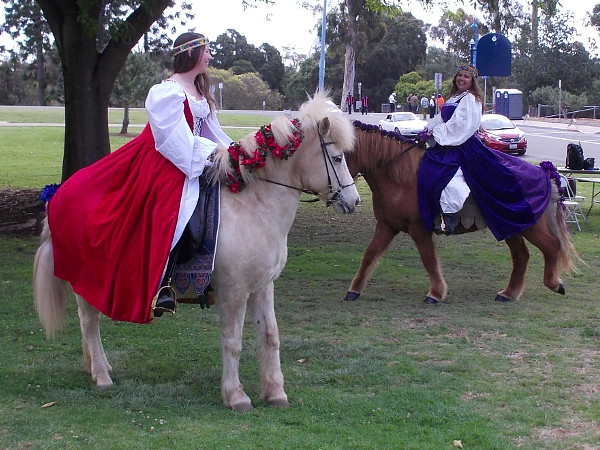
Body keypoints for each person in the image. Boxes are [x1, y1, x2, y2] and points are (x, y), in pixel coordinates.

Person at [47, 32, 232, 323]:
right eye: (206, 51)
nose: (210, 56)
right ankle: (163, 283)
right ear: (192, 54)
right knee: (172, 215)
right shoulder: (166, 92)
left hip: (191, 156)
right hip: (163, 161)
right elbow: (174, 141)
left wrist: (232, 154)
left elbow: (211, 133)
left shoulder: (199, 91)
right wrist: (209, 156)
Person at [417, 64, 552, 241]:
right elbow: (441, 118)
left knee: (450, 177)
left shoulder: (471, 99)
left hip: (463, 146)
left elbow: (462, 125)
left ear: (472, 81)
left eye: (466, 77)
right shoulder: (454, 97)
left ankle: (449, 220)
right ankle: (432, 215)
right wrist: (427, 129)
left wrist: (436, 133)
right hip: (447, 144)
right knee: (425, 168)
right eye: (459, 75)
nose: (462, 79)